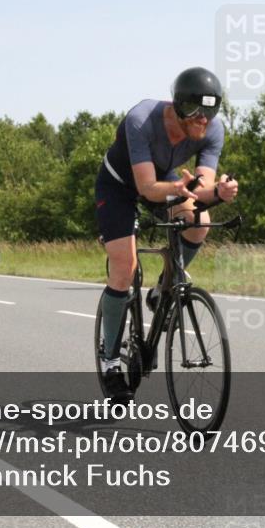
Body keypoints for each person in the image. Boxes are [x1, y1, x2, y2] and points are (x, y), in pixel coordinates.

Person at [95, 66, 239, 401]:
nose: (204, 120)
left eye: (211, 111)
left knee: (199, 223)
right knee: (124, 267)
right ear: (177, 106)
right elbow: (146, 187)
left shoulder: (213, 130)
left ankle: (162, 288)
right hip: (120, 186)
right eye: (196, 112)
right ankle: (110, 360)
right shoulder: (142, 119)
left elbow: (200, 190)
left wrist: (218, 191)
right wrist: (177, 188)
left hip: (168, 183)